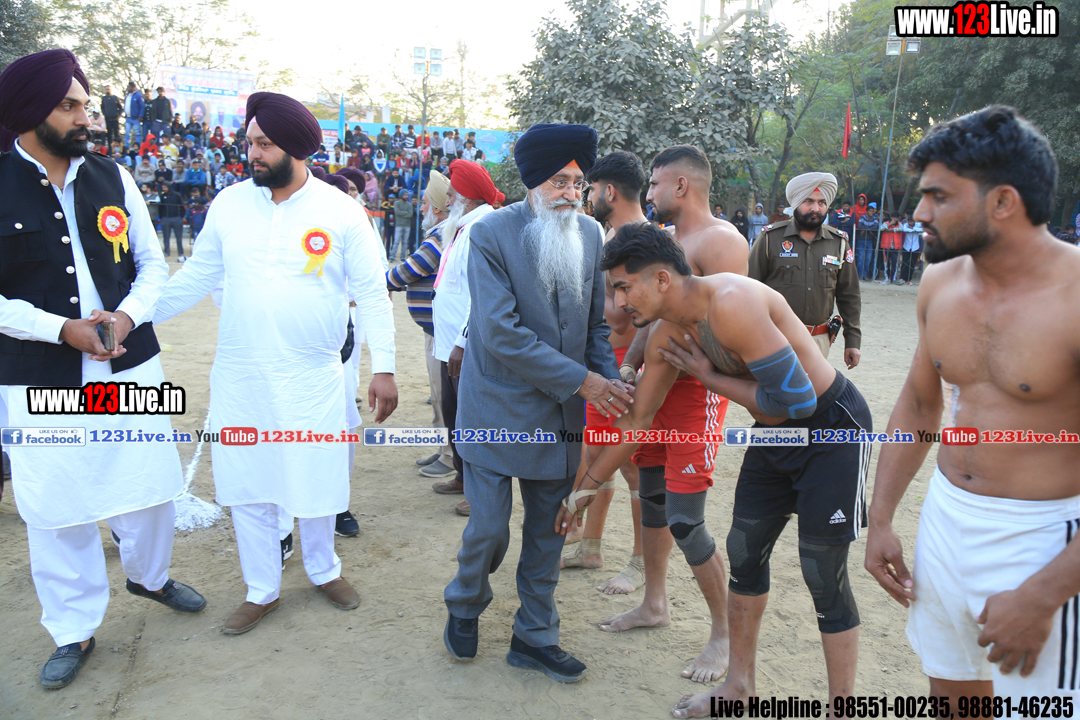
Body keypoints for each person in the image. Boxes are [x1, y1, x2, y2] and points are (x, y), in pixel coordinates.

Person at [556, 221, 871, 716]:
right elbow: (637, 422)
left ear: (662, 279)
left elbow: (797, 402)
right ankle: (739, 687)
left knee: (821, 573)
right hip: (772, 434)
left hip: (830, 430)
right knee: (744, 554)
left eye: (624, 287)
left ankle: (842, 707)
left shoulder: (731, 303)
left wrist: (708, 376)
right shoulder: (667, 334)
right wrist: (585, 489)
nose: (618, 303)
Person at [153, 91, 398, 634]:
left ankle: (323, 569)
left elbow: (372, 294)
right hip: (241, 374)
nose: (253, 154)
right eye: (250, 143)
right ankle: (260, 588)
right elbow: (195, 277)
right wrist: (132, 316)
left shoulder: (342, 211)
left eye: (264, 144)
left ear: (295, 148)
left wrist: (384, 367)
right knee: (250, 482)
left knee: (316, 474)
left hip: (312, 375)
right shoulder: (229, 204)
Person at [0, 49, 206, 689]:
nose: (85, 117)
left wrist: (125, 316)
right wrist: (60, 329)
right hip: (38, 377)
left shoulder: (113, 177)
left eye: (85, 105)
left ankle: (149, 577)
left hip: (129, 368)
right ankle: (74, 628)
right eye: (69, 106)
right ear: (30, 112)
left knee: (149, 485)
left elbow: (152, 264)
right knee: (56, 505)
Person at [865, 105, 1080, 704]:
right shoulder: (941, 283)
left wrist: (1044, 594)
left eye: (939, 196)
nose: (919, 213)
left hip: (1044, 537)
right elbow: (918, 404)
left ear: (1003, 202)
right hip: (947, 521)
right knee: (953, 699)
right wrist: (881, 518)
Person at [442, 123, 630, 683]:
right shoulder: (491, 233)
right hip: (495, 409)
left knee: (550, 532)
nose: (572, 193)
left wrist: (609, 380)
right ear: (532, 182)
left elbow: (596, 325)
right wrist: (585, 382)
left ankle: (534, 635)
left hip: (559, 416)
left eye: (578, 182)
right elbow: (500, 333)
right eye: (559, 182)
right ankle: (465, 603)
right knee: (488, 529)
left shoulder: (591, 234)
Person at [602, 145, 748, 686]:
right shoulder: (666, 242)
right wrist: (632, 365)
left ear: (681, 185)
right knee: (653, 502)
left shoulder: (722, 241)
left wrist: (668, 362)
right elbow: (652, 319)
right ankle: (654, 602)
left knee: (687, 521)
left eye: (656, 183)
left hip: (694, 395)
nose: (651, 193)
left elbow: (725, 326)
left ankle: (724, 634)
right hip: (655, 387)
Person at [560, 150, 646, 595]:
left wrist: (631, 370)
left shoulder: (643, 241)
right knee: (594, 457)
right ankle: (590, 547)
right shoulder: (603, 235)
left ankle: (641, 562)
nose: (585, 196)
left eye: (589, 188)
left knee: (634, 468)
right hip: (601, 367)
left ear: (608, 191)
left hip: (627, 369)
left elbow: (639, 317)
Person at [429, 160, 504, 516]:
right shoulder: (463, 225)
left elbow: (482, 294)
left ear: (468, 197)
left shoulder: (482, 228)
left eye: (451, 193)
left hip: (467, 346)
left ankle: (480, 493)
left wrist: (462, 341)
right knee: (454, 414)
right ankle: (462, 477)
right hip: (449, 345)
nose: (446, 199)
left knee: (475, 422)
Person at [748, 172, 862, 366]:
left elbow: (849, 295)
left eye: (822, 202)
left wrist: (852, 341)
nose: (816, 208)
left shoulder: (839, 243)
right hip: (776, 338)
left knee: (814, 387)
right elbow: (749, 289)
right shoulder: (770, 239)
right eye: (808, 201)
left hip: (819, 341)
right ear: (796, 203)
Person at [386, 170, 456, 479]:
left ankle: (450, 456)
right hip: (435, 330)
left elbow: (410, 269)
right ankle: (444, 449)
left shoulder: (440, 234)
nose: (422, 208)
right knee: (438, 393)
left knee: (443, 393)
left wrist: (385, 281)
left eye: (426, 203)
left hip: (442, 333)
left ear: (437, 208)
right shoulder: (443, 231)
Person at [158, 182, 185, 257]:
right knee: (166, 237)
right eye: (163, 188)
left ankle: (180, 251)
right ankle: (167, 252)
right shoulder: (162, 196)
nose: (164, 189)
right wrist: (162, 217)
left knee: (179, 237)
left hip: (176, 218)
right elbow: (160, 208)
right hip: (165, 218)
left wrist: (180, 216)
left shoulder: (177, 195)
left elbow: (182, 206)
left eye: (165, 187)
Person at [856, 201, 879, 280]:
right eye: (870, 211)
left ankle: (865, 275)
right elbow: (859, 226)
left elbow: (875, 227)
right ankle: (860, 275)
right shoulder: (862, 217)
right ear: (867, 211)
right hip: (861, 240)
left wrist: (865, 229)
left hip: (869, 241)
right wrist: (869, 229)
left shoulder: (875, 218)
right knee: (860, 258)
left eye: (872, 211)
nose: (871, 213)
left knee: (868, 259)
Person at [879, 212, 903, 283]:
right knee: (886, 263)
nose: (894, 219)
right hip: (886, 246)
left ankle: (893, 279)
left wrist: (891, 230)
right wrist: (890, 224)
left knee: (895, 263)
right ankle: (887, 278)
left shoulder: (900, 224)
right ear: (891, 217)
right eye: (893, 217)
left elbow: (902, 229)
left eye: (896, 218)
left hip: (896, 246)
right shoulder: (886, 223)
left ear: (898, 218)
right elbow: (881, 228)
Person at [899, 212, 923, 283]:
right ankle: (902, 278)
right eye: (909, 221)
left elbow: (922, 229)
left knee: (912, 263)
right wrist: (914, 229)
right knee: (905, 262)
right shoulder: (906, 224)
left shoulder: (918, 225)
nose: (910, 223)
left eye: (912, 221)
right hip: (907, 246)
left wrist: (914, 228)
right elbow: (905, 229)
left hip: (915, 247)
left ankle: (908, 279)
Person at [123, 81, 144, 149]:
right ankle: (127, 147)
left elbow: (142, 106)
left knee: (137, 133)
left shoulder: (138, 96)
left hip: (136, 118)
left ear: (133, 87)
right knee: (127, 133)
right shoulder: (128, 95)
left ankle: (138, 148)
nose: (128, 88)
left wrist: (140, 116)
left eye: (129, 87)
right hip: (128, 118)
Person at [100, 84, 122, 148]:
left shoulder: (115, 98)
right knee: (109, 134)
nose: (108, 90)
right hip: (107, 119)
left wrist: (118, 114)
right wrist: (104, 113)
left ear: (111, 90)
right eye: (106, 89)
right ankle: (110, 148)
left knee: (116, 134)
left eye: (109, 89)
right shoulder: (104, 98)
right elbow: (102, 107)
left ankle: (119, 147)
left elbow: (120, 108)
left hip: (115, 119)